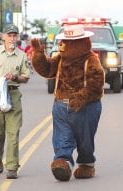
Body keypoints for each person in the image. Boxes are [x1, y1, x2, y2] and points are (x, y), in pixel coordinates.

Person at [31, 24, 104, 181]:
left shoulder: (91, 60)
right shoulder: (60, 59)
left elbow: (96, 83)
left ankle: (86, 164)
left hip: (86, 107)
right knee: (62, 137)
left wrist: (81, 98)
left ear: (79, 43)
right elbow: (46, 70)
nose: (61, 44)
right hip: (61, 105)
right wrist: (38, 53)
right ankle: (63, 163)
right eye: (62, 41)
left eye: (66, 42)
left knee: (85, 139)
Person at [0, 24, 30, 179]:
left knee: (13, 132)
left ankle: (12, 166)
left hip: (13, 95)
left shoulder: (21, 55)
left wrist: (15, 77)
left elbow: (26, 77)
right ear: (3, 36)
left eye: (15, 35)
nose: (12, 38)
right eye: (9, 35)